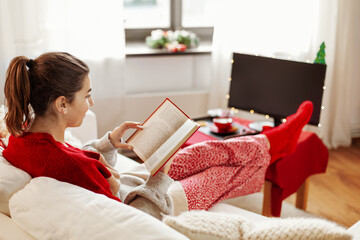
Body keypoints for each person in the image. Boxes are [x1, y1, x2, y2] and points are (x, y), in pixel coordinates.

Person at [2, 52, 313, 219]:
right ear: (61, 104)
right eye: (87, 96)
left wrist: (108, 142)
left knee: (198, 154)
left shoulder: (21, 139)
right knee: (222, 173)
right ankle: (275, 146)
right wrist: (159, 177)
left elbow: (76, 159)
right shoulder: (69, 167)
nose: (91, 103)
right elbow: (134, 217)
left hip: (133, 184)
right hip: (153, 202)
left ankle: (273, 143)